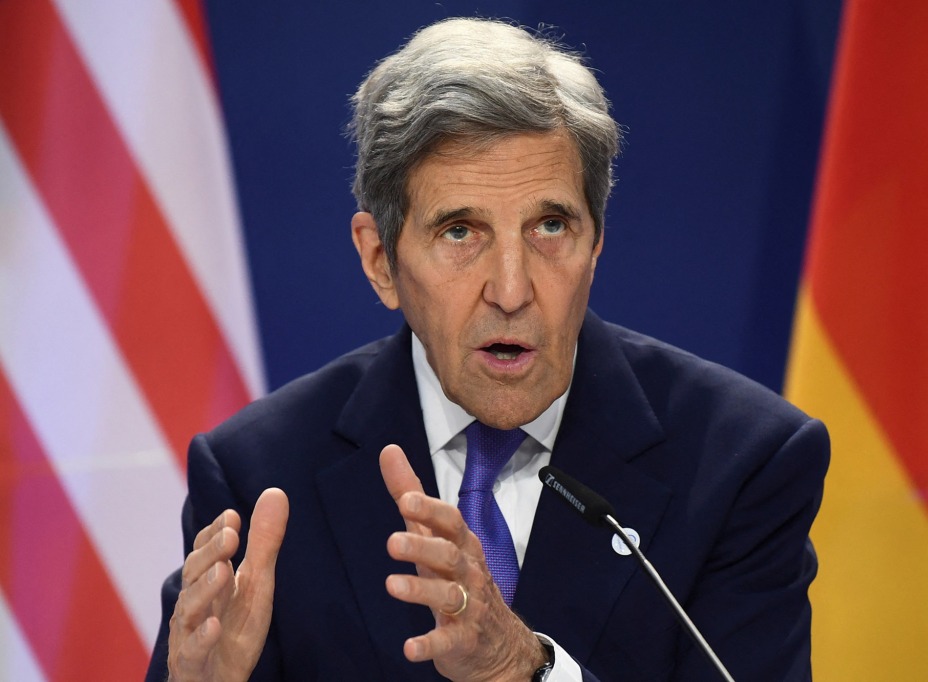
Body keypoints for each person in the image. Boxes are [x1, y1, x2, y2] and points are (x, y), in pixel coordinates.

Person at [147, 17, 829, 682]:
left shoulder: (741, 465)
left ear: (596, 243)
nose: (510, 289)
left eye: (551, 226)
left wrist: (523, 669)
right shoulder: (260, 477)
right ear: (380, 258)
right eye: (460, 231)